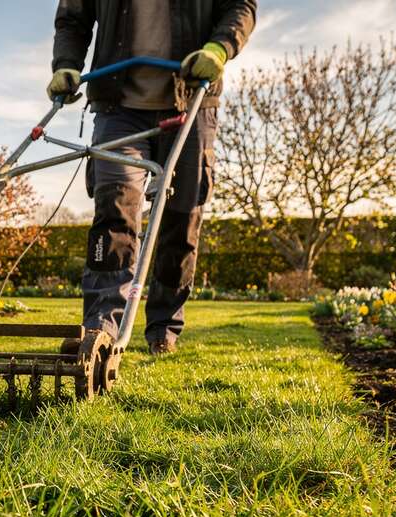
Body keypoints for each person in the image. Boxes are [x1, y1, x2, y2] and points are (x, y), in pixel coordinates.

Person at [48, 0, 256, 354]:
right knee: (114, 212)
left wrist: (219, 48)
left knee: (182, 217)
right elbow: (72, 18)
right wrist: (66, 64)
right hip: (117, 105)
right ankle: (101, 327)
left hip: (192, 98)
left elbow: (241, 6)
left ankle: (163, 328)